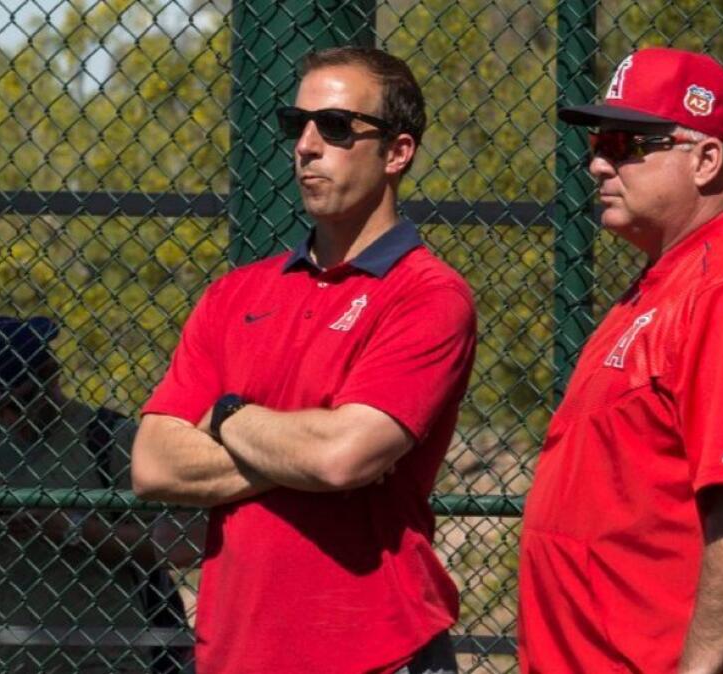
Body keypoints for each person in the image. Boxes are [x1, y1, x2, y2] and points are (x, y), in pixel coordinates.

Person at [131, 46, 477, 674]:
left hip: (378, 654)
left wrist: (227, 415)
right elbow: (153, 462)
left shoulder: (428, 295)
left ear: (398, 152)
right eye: (300, 124)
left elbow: (343, 457)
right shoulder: (235, 294)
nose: (308, 145)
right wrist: (305, 450)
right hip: (236, 656)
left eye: (338, 127)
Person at [517, 47, 723, 674]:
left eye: (626, 142)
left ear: (706, 160)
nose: (598, 163)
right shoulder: (672, 278)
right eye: (599, 142)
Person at [0, 315, 190, 674]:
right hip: (14, 661)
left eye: (21, 401)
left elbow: (180, 544)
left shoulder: (108, 439)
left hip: (109, 658)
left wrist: (74, 528)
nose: (10, 418)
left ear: (50, 375)